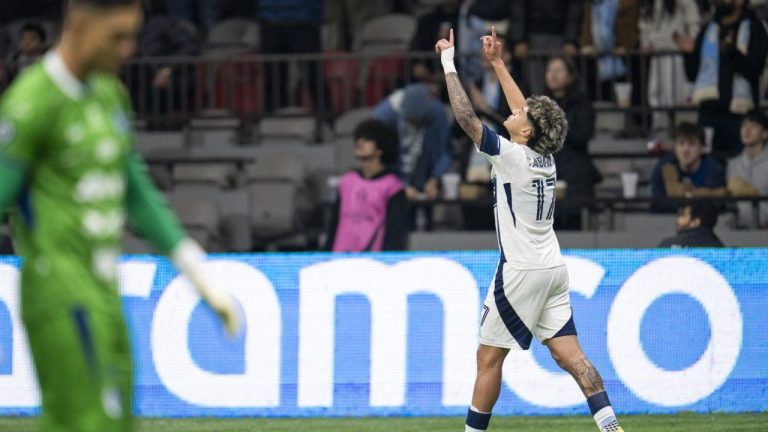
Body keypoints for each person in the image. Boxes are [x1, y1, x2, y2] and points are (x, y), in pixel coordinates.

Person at [0, 1, 239, 431]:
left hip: (105, 290)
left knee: (113, 421)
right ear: (78, 24)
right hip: (59, 290)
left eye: (132, 36)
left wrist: (193, 267)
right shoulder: (31, 101)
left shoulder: (110, 94)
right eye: (116, 36)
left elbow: (135, 189)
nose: (128, 49)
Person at [436, 27, 624, 432]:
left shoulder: (511, 157)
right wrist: (498, 63)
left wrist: (448, 63)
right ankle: (611, 427)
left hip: (519, 271)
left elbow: (467, 118)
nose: (513, 111)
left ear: (525, 133)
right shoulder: (544, 158)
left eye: (519, 116)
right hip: (553, 268)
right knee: (573, 358)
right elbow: (528, 115)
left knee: (488, 359)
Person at [676, 0, 768, 158]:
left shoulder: (755, 28)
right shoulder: (707, 30)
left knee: (738, 171)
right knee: (709, 168)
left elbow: (755, 69)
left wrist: (732, 52)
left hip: (740, 118)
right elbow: (693, 75)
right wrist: (689, 54)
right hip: (708, 115)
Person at [325, 119, 408, 251]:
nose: (360, 142)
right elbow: (334, 224)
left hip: (372, 263)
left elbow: (395, 231)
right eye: (359, 138)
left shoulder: (393, 187)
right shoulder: (346, 182)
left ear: (381, 148)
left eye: (368, 139)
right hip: (340, 261)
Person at [544, 55, 601, 230]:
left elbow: (582, 136)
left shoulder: (582, 103)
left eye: (559, 70)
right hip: (547, 171)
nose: (553, 75)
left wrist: (554, 124)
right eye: (549, 71)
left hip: (575, 173)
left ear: (571, 76)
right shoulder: (539, 104)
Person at [372, 83, 452, 202]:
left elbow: (444, 149)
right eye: (412, 121)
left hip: (425, 175)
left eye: (420, 121)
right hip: (396, 179)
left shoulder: (436, 111)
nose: (416, 124)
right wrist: (400, 185)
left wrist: (435, 178)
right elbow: (381, 159)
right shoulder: (383, 117)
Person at [638, 0, 700, 131]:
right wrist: (645, 42)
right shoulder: (648, 4)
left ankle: (683, 131)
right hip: (657, 54)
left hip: (676, 53)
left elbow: (694, 22)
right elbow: (644, 26)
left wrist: (690, 39)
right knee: (656, 93)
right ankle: (660, 130)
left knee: (679, 95)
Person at [650, 122, 726, 212]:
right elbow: (657, 204)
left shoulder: (715, 170)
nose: (685, 150)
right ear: (675, 148)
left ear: (702, 148)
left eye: (692, 144)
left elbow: (716, 205)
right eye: (681, 144)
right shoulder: (663, 168)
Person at [727, 108, 768, 228]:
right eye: (744, 126)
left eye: (753, 126)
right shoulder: (733, 164)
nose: (747, 130)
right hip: (739, 232)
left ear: (765, 133)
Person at [2, 22, 48, 88]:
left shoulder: (49, 63)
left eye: (32, 38)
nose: (27, 42)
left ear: (42, 43)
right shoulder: (12, 64)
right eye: (23, 38)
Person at [658, 201, 724, 247]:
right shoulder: (721, 250)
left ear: (695, 222)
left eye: (683, 215)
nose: (677, 220)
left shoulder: (666, 246)